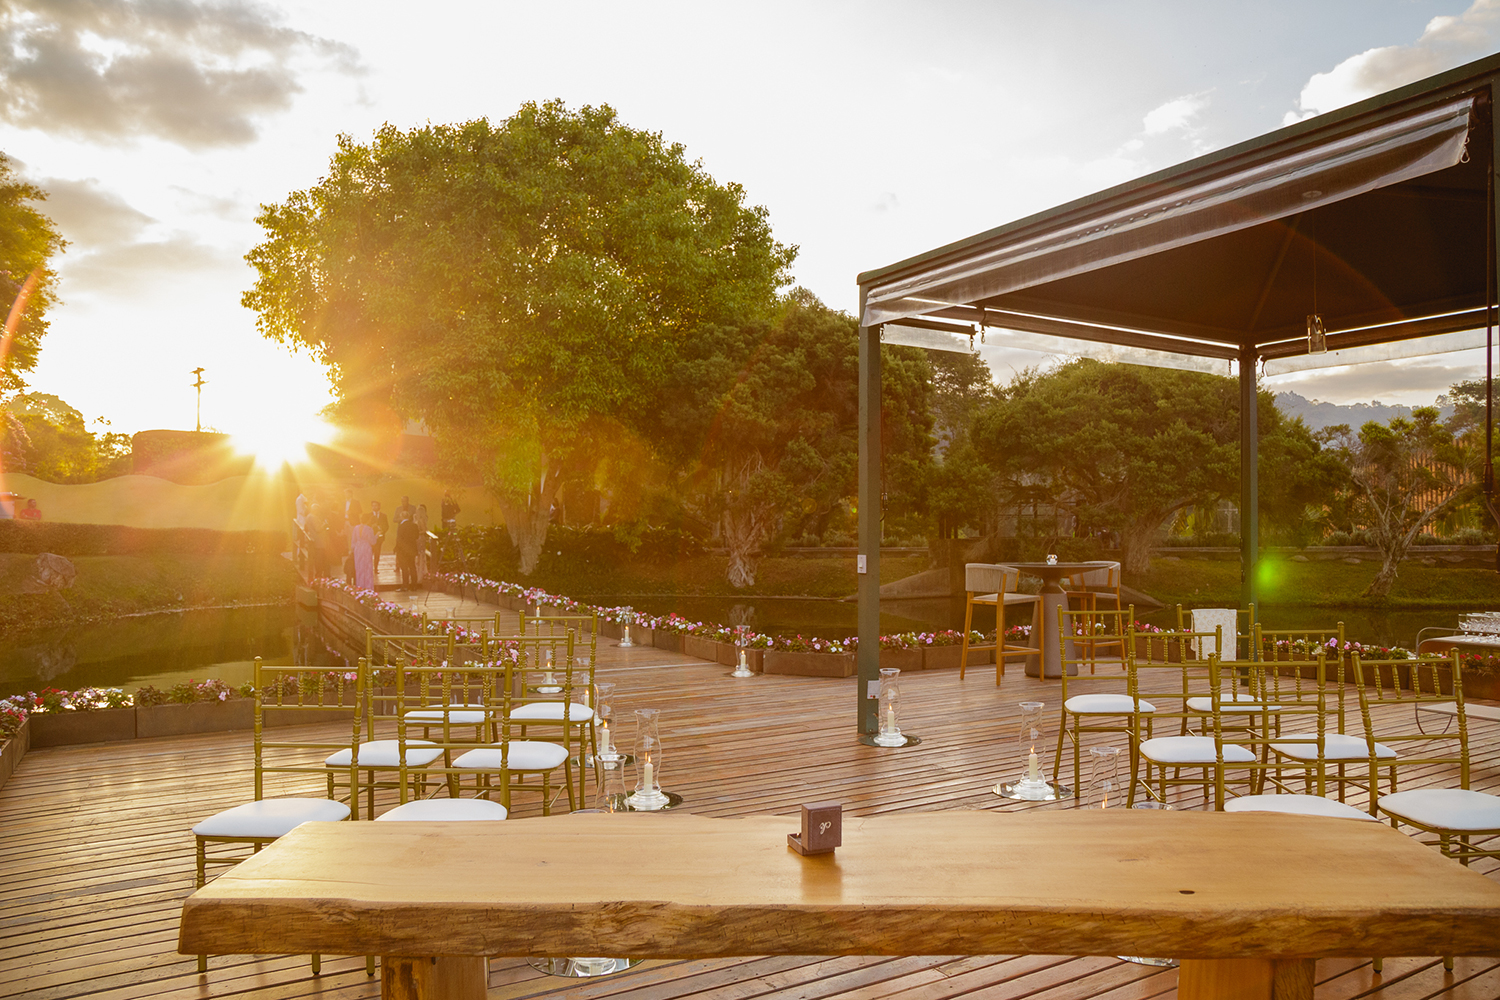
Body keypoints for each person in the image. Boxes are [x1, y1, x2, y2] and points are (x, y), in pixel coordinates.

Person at [350, 512, 376, 591]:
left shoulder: (356, 528)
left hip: (358, 548)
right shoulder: (369, 529)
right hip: (366, 548)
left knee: (359, 568)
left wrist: (353, 549)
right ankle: (368, 586)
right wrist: (377, 535)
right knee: (367, 568)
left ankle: (360, 585)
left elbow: (353, 540)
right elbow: (372, 541)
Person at [394, 512, 419, 590]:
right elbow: (417, 536)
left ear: (401, 516)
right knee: (412, 567)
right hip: (412, 549)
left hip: (403, 550)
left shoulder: (401, 526)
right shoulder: (414, 526)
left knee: (404, 568)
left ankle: (405, 585)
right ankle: (414, 585)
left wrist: (396, 548)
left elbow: (399, 539)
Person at [370, 500, 390, 569]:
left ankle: (375, 567)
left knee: (377, 553)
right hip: (370, 537)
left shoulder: (383, 516)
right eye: (373, 506)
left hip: (380, 537)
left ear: (379, 506)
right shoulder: (368, 515)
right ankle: (369, 567)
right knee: (370, 553)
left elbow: (387, 526)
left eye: (375, 505)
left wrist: (382, 531)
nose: (374, 507)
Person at [414, 503, 430, 581]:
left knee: (421, 555)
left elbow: (424, 530)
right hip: (417, 538)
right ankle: (419, 572)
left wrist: (416, 533)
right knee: (418, 555)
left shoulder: (421, 520)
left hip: (420, 538)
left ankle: (421, 573)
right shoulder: (417, 520)